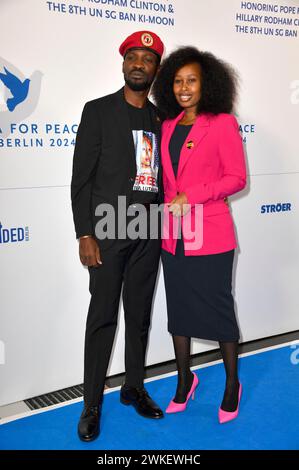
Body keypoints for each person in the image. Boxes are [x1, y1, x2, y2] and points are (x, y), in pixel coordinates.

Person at [71, 30, 165, 442]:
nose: (139, 64)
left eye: (147, 58)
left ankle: (134, 387)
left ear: (156, 69)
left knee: (140, 316)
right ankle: (92, 403)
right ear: (123, 64)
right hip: (108, 230)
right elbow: (81, 180)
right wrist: (85, 233)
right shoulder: (98, 111)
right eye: (133, 57)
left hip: (149, 231)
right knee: (103, 316)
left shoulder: (162, 119)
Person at [152, 47, 247, 423]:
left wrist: (192, 196)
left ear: (206, 84)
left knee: (220, 311)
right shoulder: (168, 126)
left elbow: (236, 179)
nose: (184, 88)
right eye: (177, 81)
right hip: (173, 237)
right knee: (179, 312)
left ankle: (231, 384)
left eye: (191, 80)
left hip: (212, 232)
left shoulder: (222, 123)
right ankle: (183, 380)